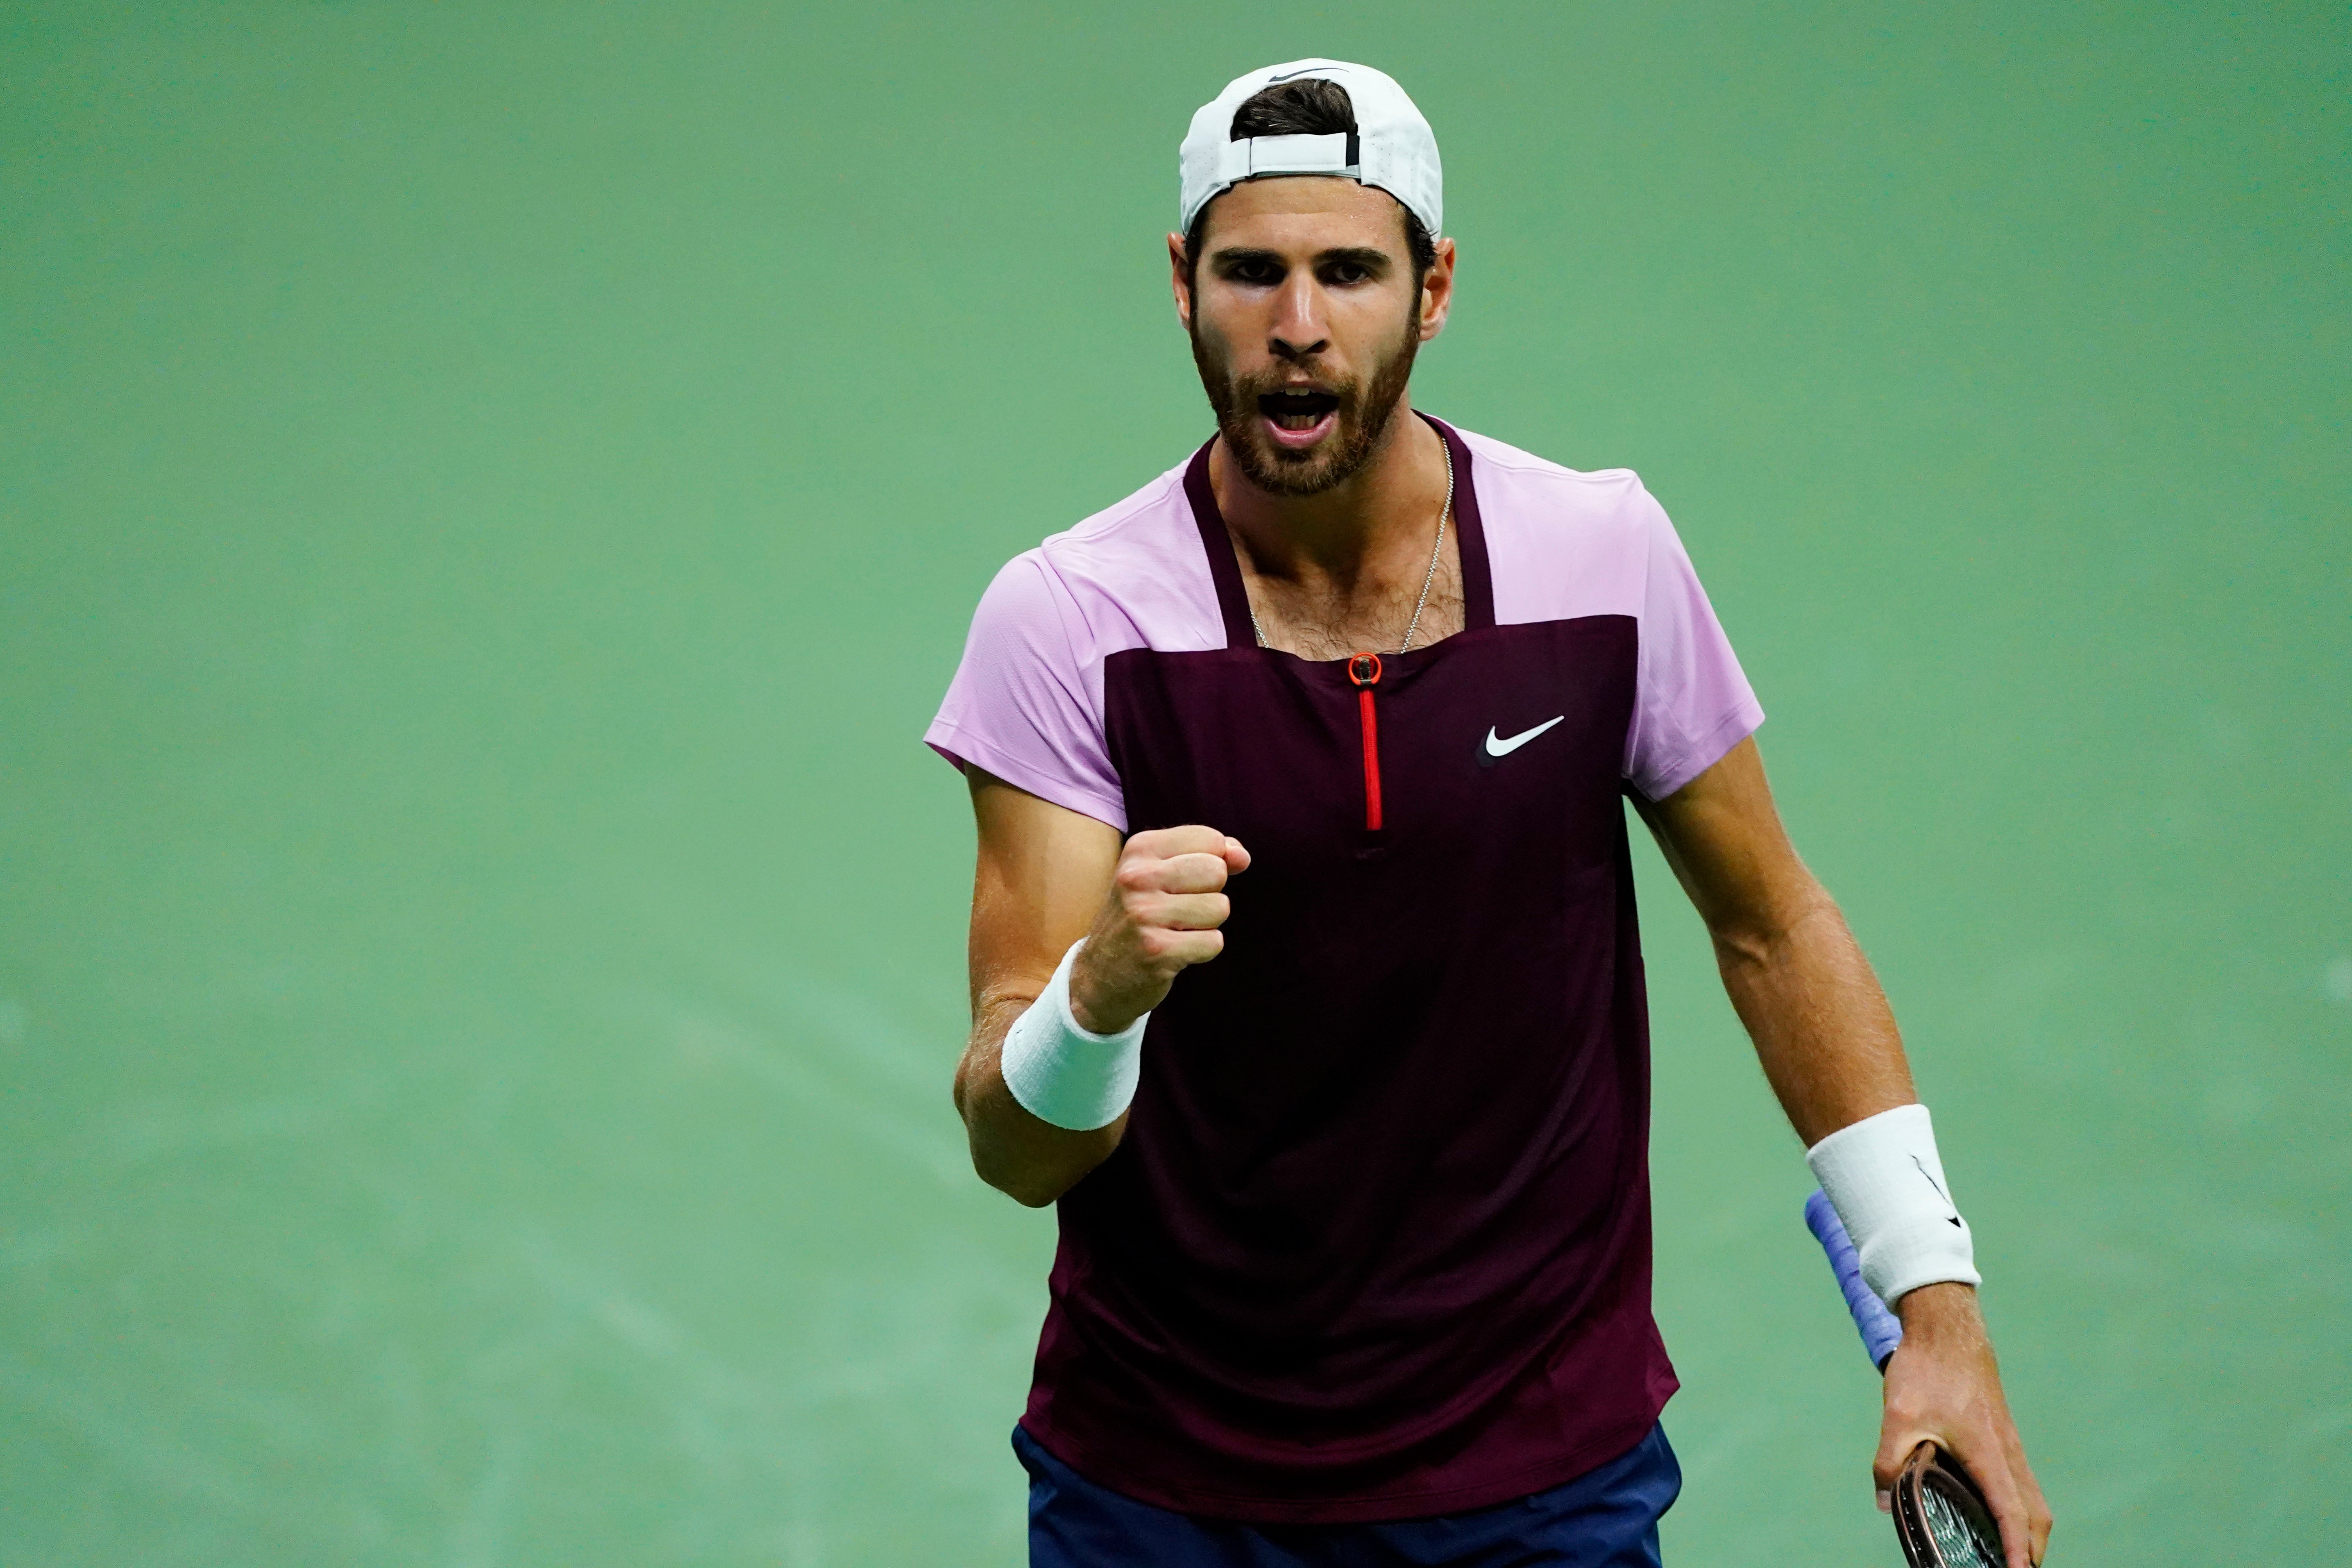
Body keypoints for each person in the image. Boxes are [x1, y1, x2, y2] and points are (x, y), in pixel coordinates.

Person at [926, 57, 2052, 1568]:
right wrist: (1101, 992)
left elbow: (1773, 925)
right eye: (1252, 272)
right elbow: (1017, 1143)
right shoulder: (1069, 619)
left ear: (1435, 287)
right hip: (1164, 1486)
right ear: (1184, 284)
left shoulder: (1601, 554)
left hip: (1538, 1474)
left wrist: (1938, 1310)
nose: (1300, 326)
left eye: (1351, 272)